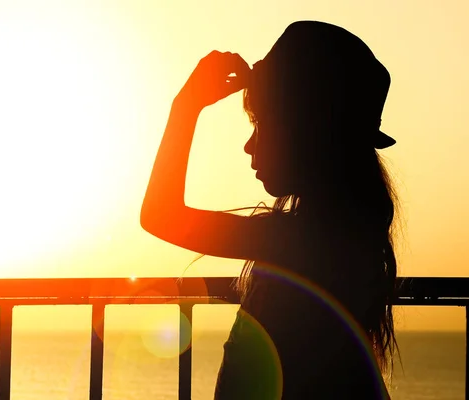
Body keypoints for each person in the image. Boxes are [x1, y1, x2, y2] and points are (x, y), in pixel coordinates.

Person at [141, 20, 400, 399]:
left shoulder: (301, 241)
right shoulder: (340, 234)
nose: (249, 145)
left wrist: (186, 106)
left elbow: (161, 216)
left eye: (260, 123)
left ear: (303, 131)